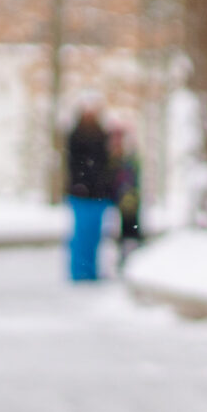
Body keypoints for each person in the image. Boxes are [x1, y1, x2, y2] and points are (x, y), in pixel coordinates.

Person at [64, 98, 117, 282]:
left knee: (93, 236)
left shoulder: (102, 136)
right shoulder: (76, 137)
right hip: (82, 195)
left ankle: (90, 271)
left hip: (97, 196)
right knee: (81, 236)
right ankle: (80, 272)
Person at [109, 120, 146, 271]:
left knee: (131, 229)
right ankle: (125, 257)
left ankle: (132, 258)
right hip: (118, 200)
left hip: (130, 200)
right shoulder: (115, 160)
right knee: (123, 230)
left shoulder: (130, 159)